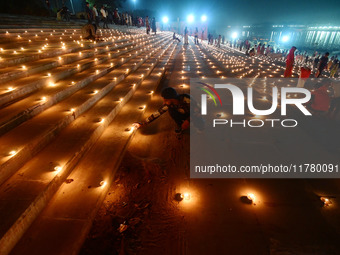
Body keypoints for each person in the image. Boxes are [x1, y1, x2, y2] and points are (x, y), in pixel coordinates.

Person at [134, 87, 203, 134]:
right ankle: (180, 126)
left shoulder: (187, 99)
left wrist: (188, 121)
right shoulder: (169, 104)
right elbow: (157, 113)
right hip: (182, 114)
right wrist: (143, 123)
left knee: (199, 119)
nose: (164, 102)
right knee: (171, 111)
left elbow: (199, 110)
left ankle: (200, 126)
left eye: (166, 100)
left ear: (171, 98)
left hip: (193, 114)